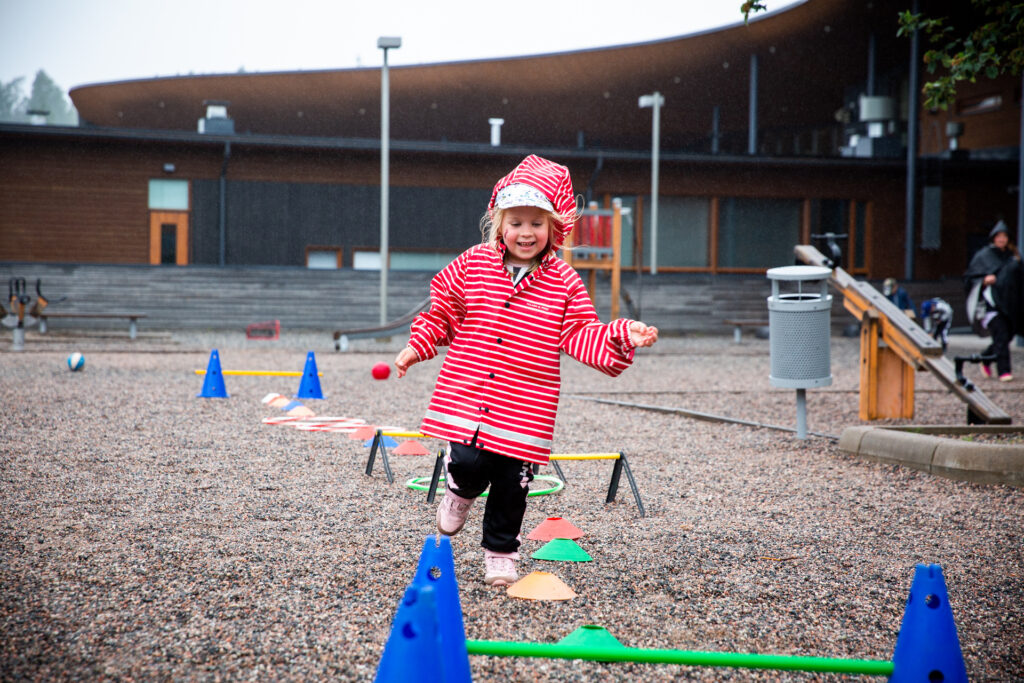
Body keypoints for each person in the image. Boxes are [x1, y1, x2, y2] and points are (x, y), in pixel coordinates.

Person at [393, 155, 659, 586]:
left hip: (524, 404)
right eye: (516, 222)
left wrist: (623, 335)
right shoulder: (472, 264)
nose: (526, 232)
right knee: (467, 460)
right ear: (499, 223)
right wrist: (414, 347)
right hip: (469, 389)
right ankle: (459, 492)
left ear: (555, 228)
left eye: (537, 223)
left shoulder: (564, 283)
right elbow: (442, 314)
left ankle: (500, 552)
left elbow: (581, 334)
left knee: (512, 482)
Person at [963, 220, 1023, 381]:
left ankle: (986, 357)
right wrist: (983, 280)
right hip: (991, 304)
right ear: (993, 238)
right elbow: (969, 278)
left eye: (1004, 236)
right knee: (1001, 335)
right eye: (999, 236)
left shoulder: (1013, 257)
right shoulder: (984, 256)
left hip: (1009, 304)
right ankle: (1004, 371)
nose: (1001, 239)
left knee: (1006, 336)